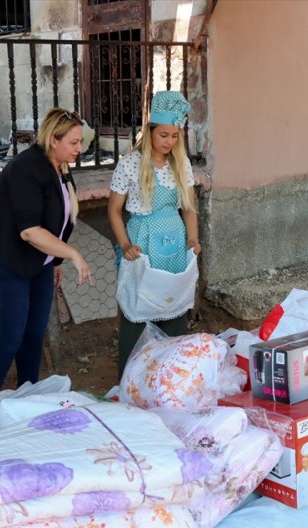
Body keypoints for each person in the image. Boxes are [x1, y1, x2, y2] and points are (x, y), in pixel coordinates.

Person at [0, 107, 93, 394]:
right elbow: (29, 230)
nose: (79, 149)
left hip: (39, 263)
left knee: (33, 335)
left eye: (80, 142)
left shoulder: (59, 167)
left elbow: (60, 218)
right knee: (8, 338)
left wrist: (55, 261)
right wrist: (72, 254)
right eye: (73, 142)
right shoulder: (25, 168)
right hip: (8, 262)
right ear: (53, 139)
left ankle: (26, 396)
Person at [108, 90, 201, 377]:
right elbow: (114, 211)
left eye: (174, 136)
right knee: (140, 304)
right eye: (163, 135)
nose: (169, 142)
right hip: (142, 241)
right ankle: (132, 378)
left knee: (173, 301)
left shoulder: (180, 163)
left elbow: (189, 208)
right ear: (149, 132)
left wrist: (193, 239)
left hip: (175, 241)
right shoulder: (130, 164)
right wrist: (125, 245)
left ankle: (170, 378)